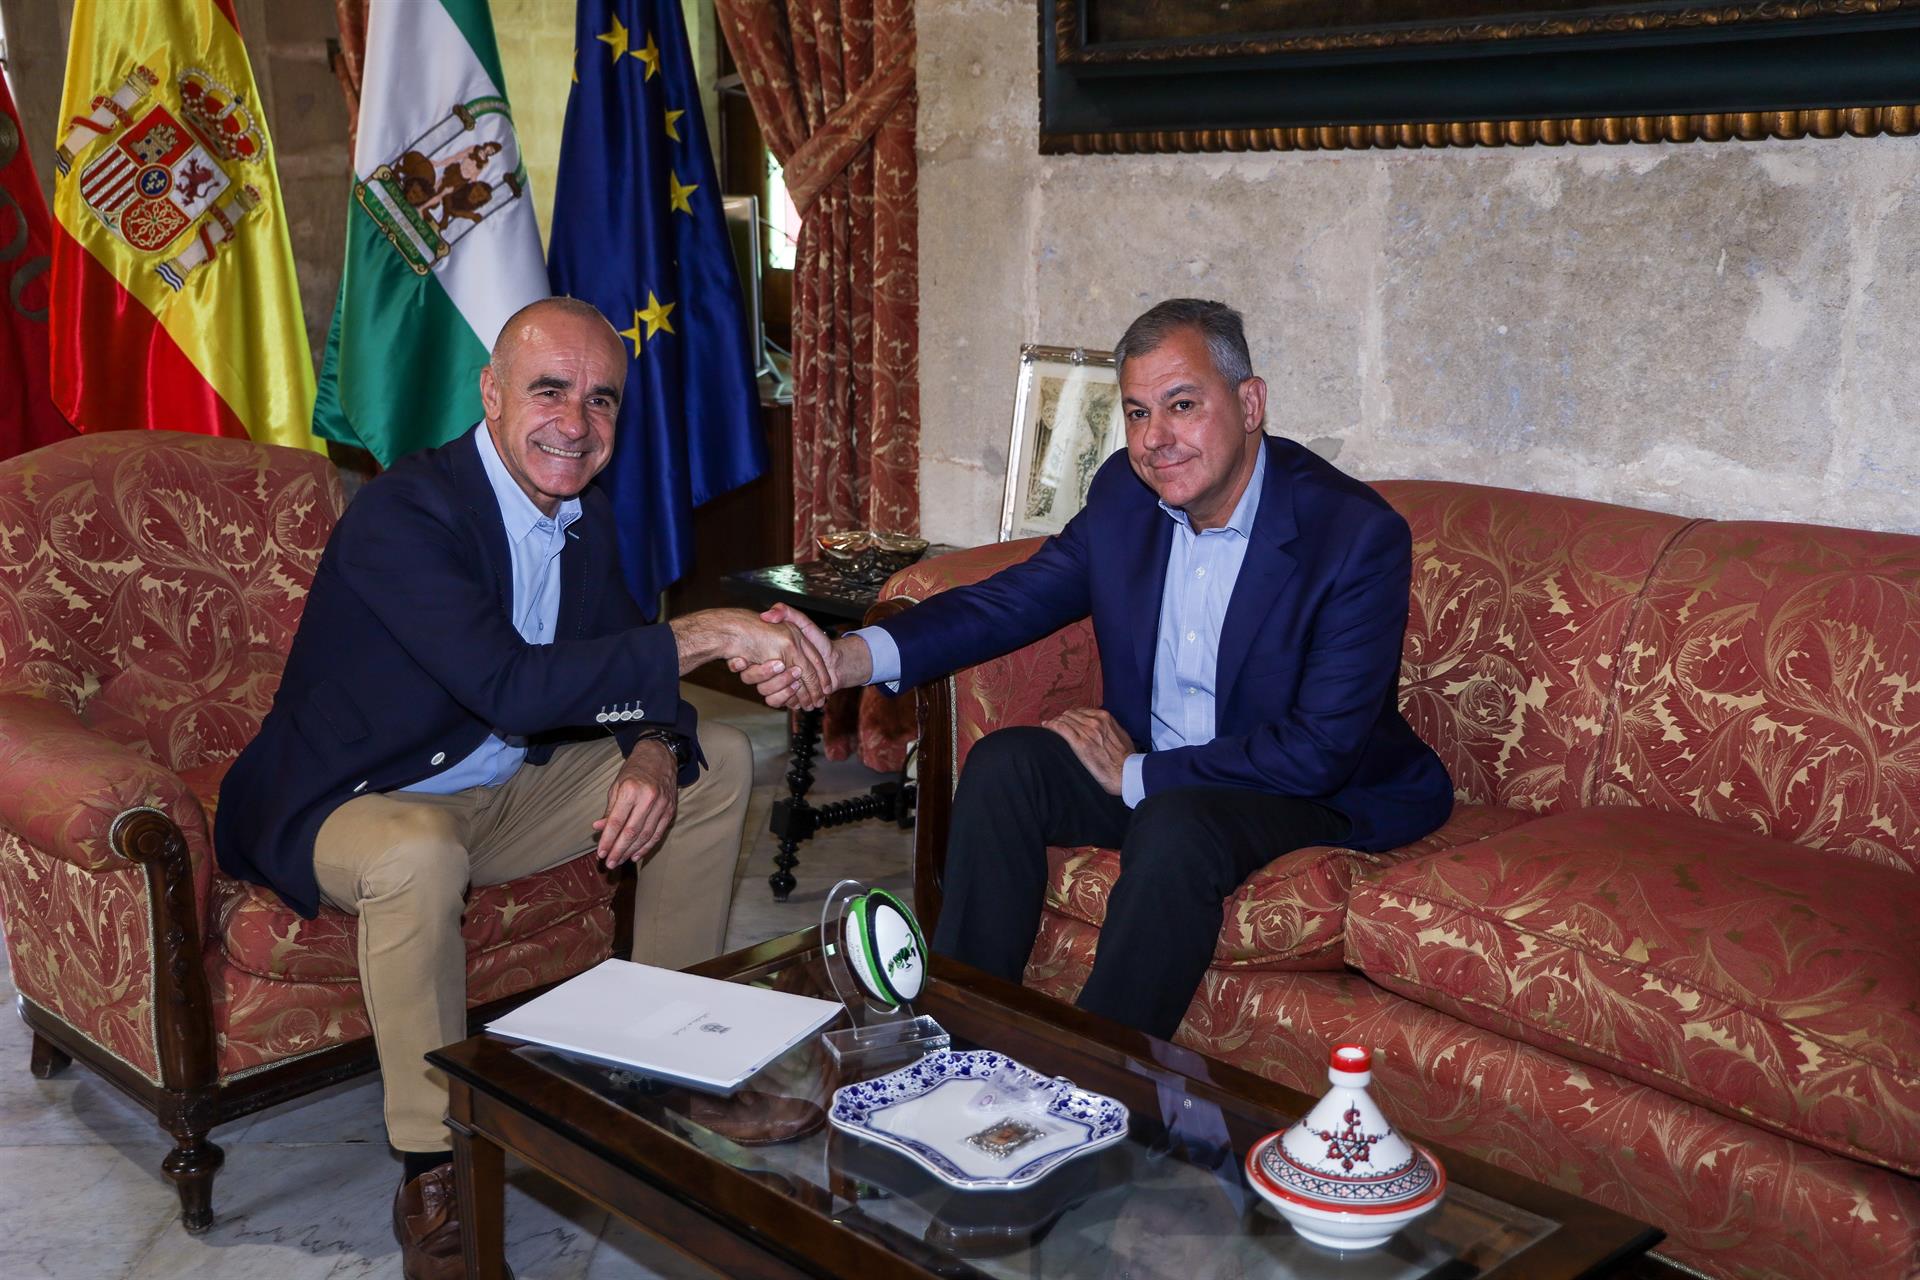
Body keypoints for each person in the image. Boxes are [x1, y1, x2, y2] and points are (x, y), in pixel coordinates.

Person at [215, 296, 829, 1280]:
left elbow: (632, 672)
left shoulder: (585, 517)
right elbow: (506, 678)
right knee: (420, 850)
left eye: (602, 401)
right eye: (549, 390)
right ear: (491, 393)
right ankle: (433, 1169)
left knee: (717, 759)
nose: (576, 425)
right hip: (354, 797)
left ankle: (670, 1073)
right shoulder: (406, 513)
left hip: (500, 780)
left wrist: (653, 752)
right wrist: (709, 630)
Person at [743, 298, 1452, 1041]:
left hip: (1307, 789)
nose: (1156, 441)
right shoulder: (1125, 495)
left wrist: (1136, 775)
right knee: (1008, 765)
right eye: (1139, 413)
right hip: (1163, 767)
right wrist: (849, 657)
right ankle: (957, 1030)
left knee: (1178, 825)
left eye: (1182, 406)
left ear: (1250, 403)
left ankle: (1093, 1075)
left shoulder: (1352, 533)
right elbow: (1013, 601)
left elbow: (1319, 751)